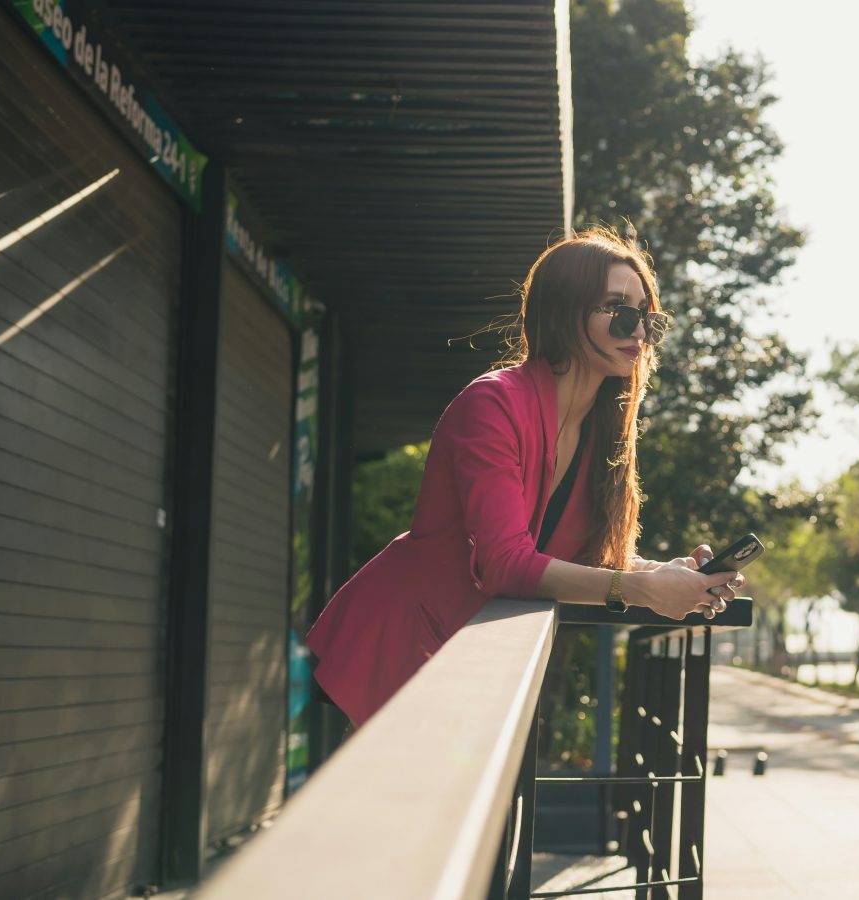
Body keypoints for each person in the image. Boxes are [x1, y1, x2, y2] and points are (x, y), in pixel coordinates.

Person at [306, 229, 744, 727]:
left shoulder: (602, 429)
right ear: (563, 310)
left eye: (646, 316)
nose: (638, 332)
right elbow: (505, 563)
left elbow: (570, 559)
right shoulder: (492, 404)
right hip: (400, 641)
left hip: (469, 656)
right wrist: (641, 591)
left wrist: (663, 575)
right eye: (619, 309)